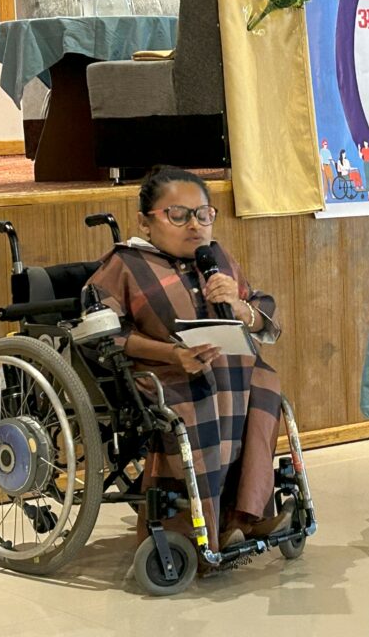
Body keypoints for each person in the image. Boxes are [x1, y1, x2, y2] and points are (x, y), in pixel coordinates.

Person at [85, 167, 288, 553]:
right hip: (160, 372)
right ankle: (197, 530)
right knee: (203, 393)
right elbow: (105, 334)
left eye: (203, 214)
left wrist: (241, 307)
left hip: (229, 365)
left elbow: (263, 311)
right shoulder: (124, 265)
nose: (194, 226)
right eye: (178, 215)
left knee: (264, 383)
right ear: (145, 222)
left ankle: (246, 514)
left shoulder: (218, 259)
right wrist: (174, 355)